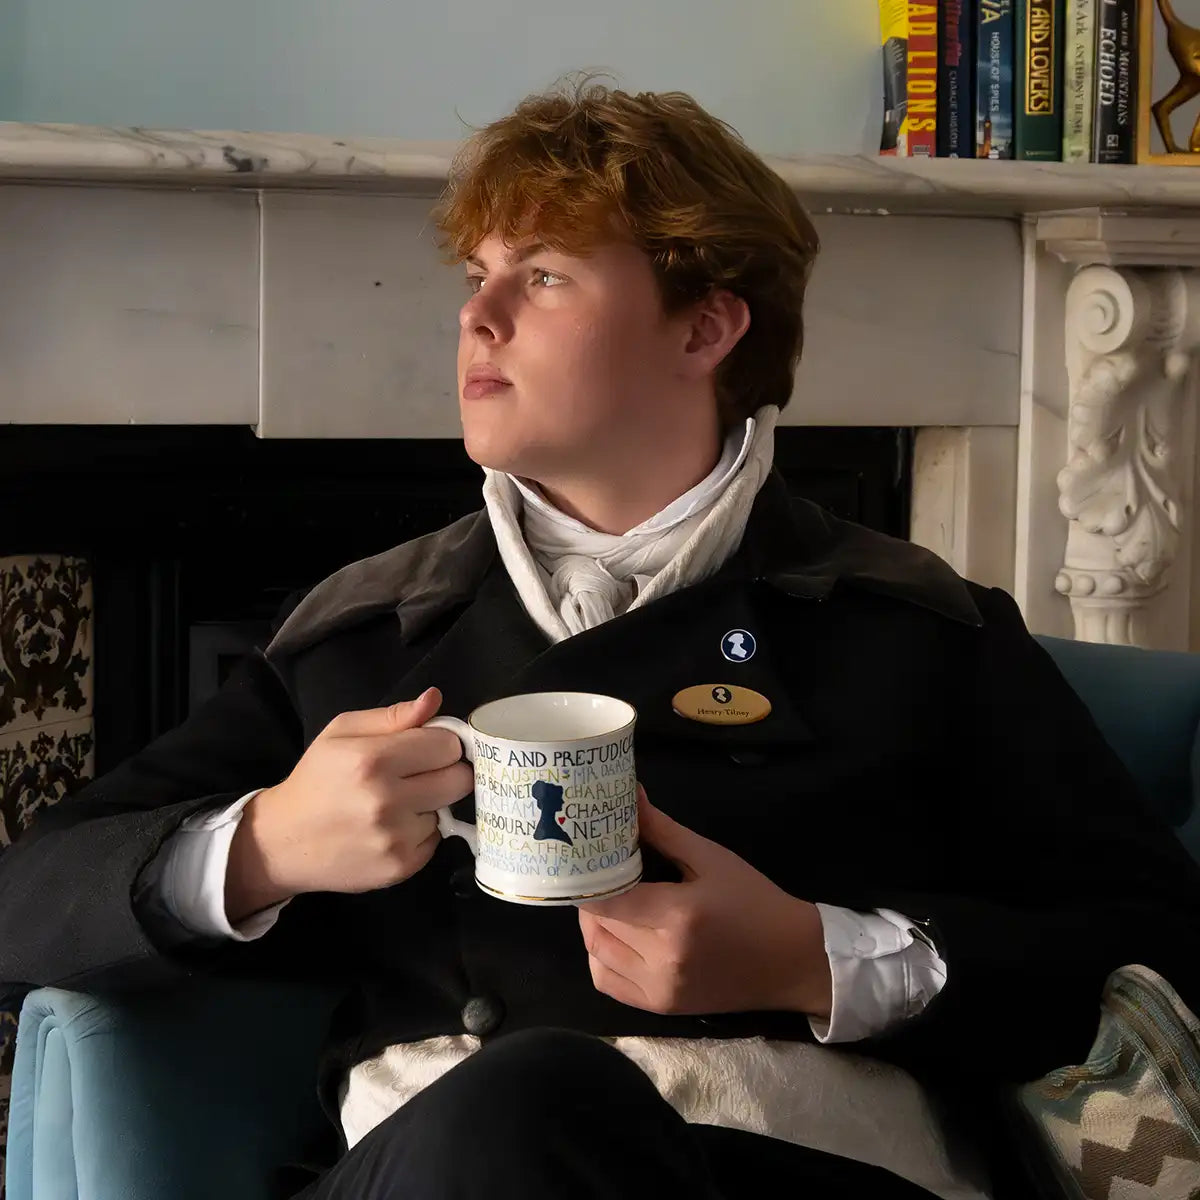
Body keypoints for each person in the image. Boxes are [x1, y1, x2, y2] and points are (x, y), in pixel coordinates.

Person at [3, 78, 1200, 1200]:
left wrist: (814, 960)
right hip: (442, 1166)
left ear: (706, 329)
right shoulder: (362, 637)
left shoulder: (918, 625)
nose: (476, 315)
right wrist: (266, 844)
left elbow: (1152, 945)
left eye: (544, 276)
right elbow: (26, 903)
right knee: (521, 1102)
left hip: (797, 1170)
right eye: (477, 274)